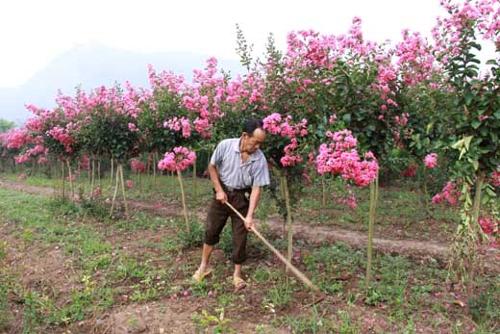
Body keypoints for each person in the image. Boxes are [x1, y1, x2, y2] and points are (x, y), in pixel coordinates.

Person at [193, 119, 270, 291]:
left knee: (240, 237)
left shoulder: (260, 159)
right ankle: (203, 267)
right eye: (255, 142)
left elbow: (257, 188)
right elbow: (212, 167)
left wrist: (249, 216)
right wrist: (219, 190)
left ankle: (237, 275)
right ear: (245, 136)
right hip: (222, 195)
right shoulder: (225, 146)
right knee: (211, 230)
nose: (258, 147)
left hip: (242, 198)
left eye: (260, 144)